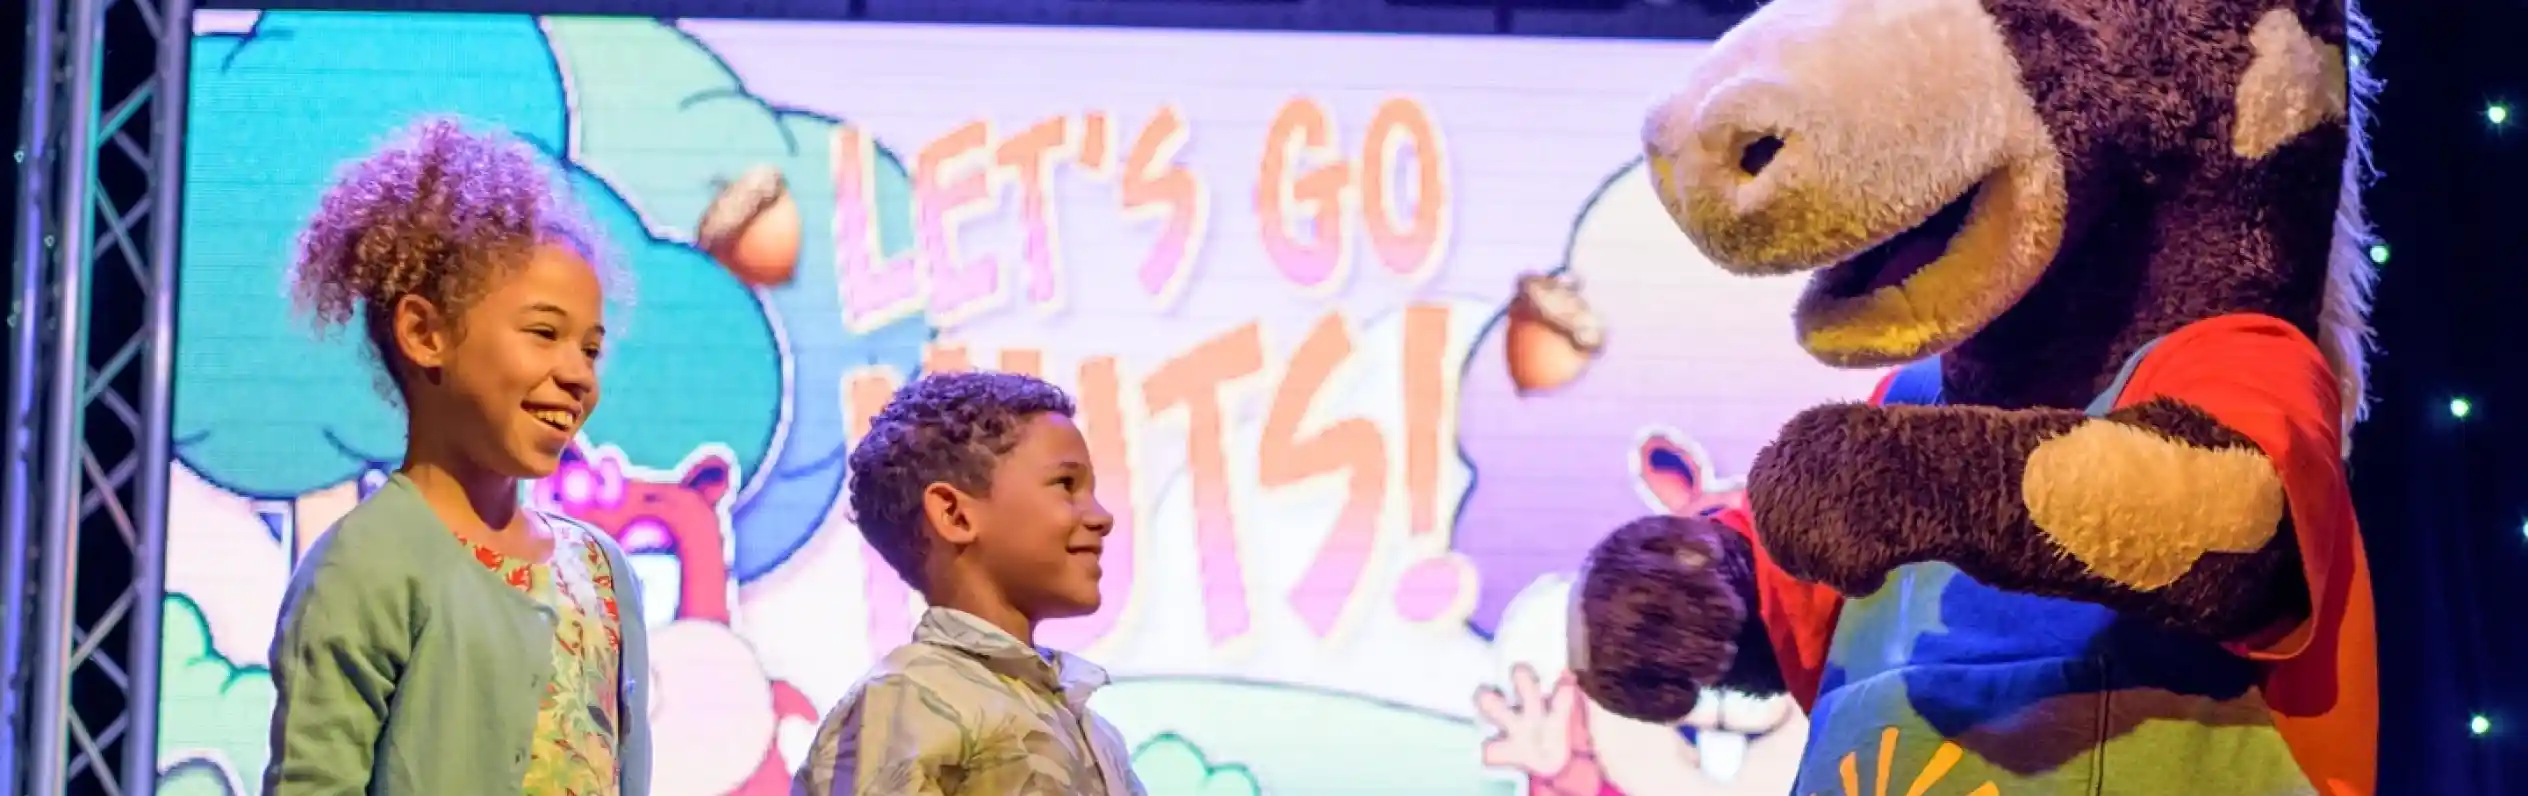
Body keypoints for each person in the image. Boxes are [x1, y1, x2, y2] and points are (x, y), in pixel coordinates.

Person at [260, 117, 652, 795]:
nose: (577, 374)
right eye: (543, 333)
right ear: (425, 333)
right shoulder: (368, 564)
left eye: (589, 348)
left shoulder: (602, 571)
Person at [796, 371, 1145, 795]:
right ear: (954, 514)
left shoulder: (1092, 731)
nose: (1102, 517)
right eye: (1066, 485)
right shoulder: (911, 699)